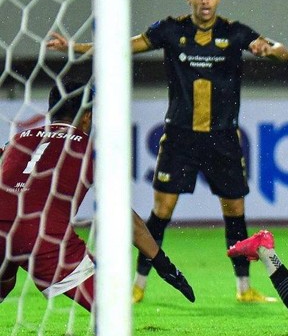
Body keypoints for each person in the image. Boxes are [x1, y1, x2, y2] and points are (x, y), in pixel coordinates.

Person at [47, 0, 288, 304]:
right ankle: (139, 284)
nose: (205, 1)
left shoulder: (234, 33)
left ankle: (244, 288)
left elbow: (282, 52)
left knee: (234, 210)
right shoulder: (171, 30)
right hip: (180, 137)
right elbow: (122, 47)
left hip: (222, 138)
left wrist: (271, 50)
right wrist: (74, 48)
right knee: (161, 211)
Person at [0, 82, 195, 309]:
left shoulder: (17, 139)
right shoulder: (92, 150)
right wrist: (163, 264)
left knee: (5, 279)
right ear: (87, 116)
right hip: (44, 235)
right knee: (112, 311)